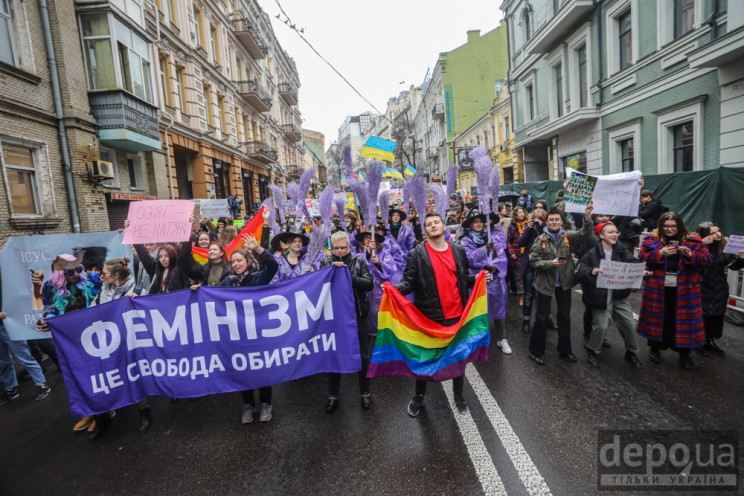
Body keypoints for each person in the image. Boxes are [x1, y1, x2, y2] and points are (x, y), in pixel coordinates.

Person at [395, 213, 491, 416]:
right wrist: (394, 290)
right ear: (425, 230)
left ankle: (458, 395)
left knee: (458, 358)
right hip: (430, 317)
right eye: (428, 224)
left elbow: (464, 279)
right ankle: (419, 397)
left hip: (457, 315)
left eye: (436, 222)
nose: (433, 226)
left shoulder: (457, 250)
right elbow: (408, 282)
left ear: (443, 225)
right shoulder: (417, 254)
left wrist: (480, 278)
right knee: (425, 359)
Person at [637, 212, 712, 369]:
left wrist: (690, 254)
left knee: (684, 321)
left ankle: (684, 355)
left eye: (673, 226)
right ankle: (655, 349)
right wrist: (659, 253)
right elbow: (641, 258)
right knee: (658, 318)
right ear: (661, 226)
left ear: (680, 226)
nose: (669, 229)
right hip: (658, 287)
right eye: (666, 226)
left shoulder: (693, 240)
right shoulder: (651, 239)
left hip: (686, 288)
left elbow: (707, 260)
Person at [37, 253, 101, 431]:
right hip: (69, 338)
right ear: (60, 274)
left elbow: (112, 289)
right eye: (69, 271)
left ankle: (104, 409)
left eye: (78, 269)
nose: (75, 274)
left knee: (97, 372)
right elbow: (48, 307)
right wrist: (47, 318)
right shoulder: (50, 288)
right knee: (78, 374)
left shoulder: (91, 280)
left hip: (93, 334)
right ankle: (89, 411)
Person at [219, 235, 279, 423]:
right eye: (233, 261)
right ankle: (247, 404)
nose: (235, 264)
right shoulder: (227, 282)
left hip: (259, 331)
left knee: (261, 368)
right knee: (242, 368)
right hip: (238, 333)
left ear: (248, 261)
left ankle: (265, 403)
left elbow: (274, 266)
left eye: (239, 260)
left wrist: (259, 249)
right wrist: (198, 289)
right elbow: (210, 294)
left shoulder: (258, 278)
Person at [88, 258, 147, 440]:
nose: (100, 276)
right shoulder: (102, 291)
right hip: (106, 344)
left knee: (134, 376)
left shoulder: (137, 291)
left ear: (115, 275)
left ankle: (144, 412)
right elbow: (91, 311)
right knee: (104, 379)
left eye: (104, 273)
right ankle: (104, 418)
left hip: (128, 343)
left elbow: (147, 315)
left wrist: (138, 302)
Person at [527, 204, 594, 365]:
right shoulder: (540, 239)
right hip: (544, 284)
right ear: (547, 222)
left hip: (564, 283)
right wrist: (552, 263)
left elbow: (585, 233)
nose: (554, 222)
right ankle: (536, 351)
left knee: (564, 317)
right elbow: (533, 261)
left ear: (562, 221)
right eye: (551, 220)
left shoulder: (568, 236)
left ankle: (565, 350)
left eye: (557, 219)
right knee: (542, 317)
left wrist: (587, 217)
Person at [575, 223, 643, 368]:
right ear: (601, 235)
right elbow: (579, 270)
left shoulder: (621, 251)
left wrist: (640, 271)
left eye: (616, 232)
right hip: (600, 296)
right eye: (610, 232)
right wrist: (591, 271)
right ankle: (593, 350)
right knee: (601, 325)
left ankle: (631, 352)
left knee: (629, 324)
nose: (615, 235)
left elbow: (633, 263)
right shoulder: (592, 253)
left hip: (619, 294)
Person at [321, 231, 374, 413]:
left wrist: (347, 276)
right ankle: (332, 395)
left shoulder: (359, 261)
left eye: (343, 247)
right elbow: (319, 288)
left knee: (363, 355)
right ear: (331, 248)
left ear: (349, 246)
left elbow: (369, 284)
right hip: (335, 317)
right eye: (336, 248)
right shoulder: (326, 262)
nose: (340, 251)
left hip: (358, 315)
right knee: (333, 355)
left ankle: (365, 393)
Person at [460, 210, 510, 354]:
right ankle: (476, 340)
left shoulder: (493, 237)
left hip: (494, 279)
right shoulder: (465, 240)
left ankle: (502, 338)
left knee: (498, 308)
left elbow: (501, 255)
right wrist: (484, 250)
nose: (479, 224)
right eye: (475, 222)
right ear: (470, 224)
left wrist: (495, 267)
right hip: (476, 280)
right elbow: (469, 258)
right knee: (476, 310)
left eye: (481, 221)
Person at [695, 222, 744, 357]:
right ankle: (699, 343)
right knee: (703, 315)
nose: (718, 234)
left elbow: (731, 265)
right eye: (712, 233)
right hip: (702, 286)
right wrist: (701, 245)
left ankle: (711, 340)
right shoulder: (698, 246)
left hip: (719, 286)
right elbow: (693, 262)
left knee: (716, 316)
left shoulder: (724, 247)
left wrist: (741, 259)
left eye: (718, 231)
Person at [0, 276, 50, 405]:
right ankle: (10, 389)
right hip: (4, 326)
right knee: (3, 361)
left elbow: (21, 299)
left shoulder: (9, 282)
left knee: (24, 356)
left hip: (11, 325)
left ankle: (42, 385)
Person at [517, 209, 546, 333]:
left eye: (541, 218)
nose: (538, 221)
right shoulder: (529, 229)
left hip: (544, 266)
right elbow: (520, 243)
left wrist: (542, 227)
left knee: (544, 296)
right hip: (530, 265)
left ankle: (544, 320)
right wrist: (528, 229)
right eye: (536, 218)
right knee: (528, 295)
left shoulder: (547, 230)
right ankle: (526, 321)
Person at [507, 206, 529, 295]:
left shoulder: (528, 224)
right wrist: (511, 253)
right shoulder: (512, 226)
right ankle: (521, 293)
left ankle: (529, 293)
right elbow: (508, 241)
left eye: (523, 212)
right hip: (517, 253)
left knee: (528, 275)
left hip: (527, 253)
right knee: (518, 276)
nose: (521, 214)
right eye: (519, 212)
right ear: (515, 214)